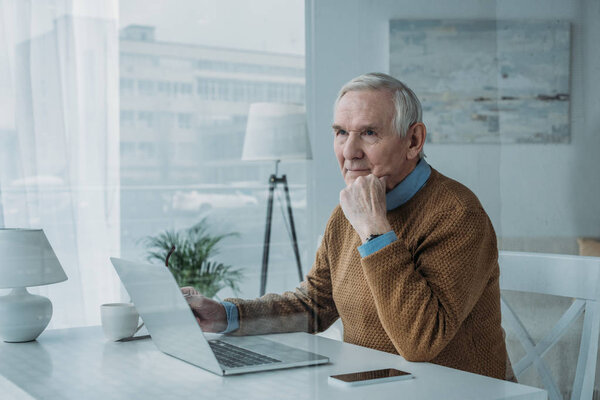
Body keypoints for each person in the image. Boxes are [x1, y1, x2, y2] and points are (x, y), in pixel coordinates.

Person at [182, 72, 513, 381]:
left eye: (369, 133)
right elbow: (313, 306)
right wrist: (224, 315)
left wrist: (374, 228)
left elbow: (420, 342)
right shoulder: (346, 214)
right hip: (374, 388)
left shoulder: (457, 213)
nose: (349, 152)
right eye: (341, 132)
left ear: (413, 140)